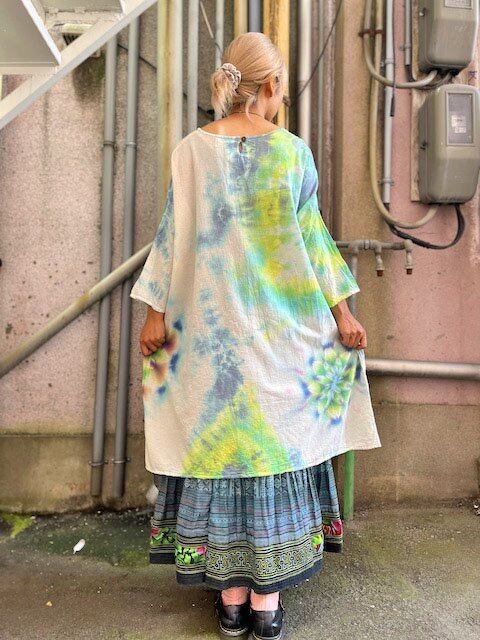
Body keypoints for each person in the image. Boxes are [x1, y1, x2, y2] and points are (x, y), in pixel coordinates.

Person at [130, 31, 381, 640]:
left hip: (210, 341)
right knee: (276, 449)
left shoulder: (191, 151)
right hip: (280, 339)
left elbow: (172, 235)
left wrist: (154, 312)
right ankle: (266, 605)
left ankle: (231, 602)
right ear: (271, 86)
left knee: (219, 451)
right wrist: (343, 315)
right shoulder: (292, 154)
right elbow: (314, 241)